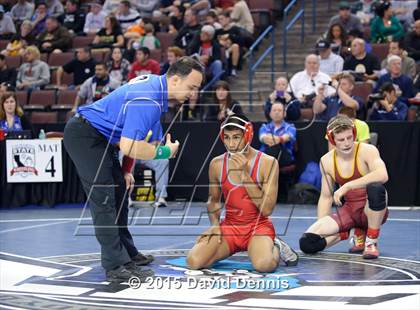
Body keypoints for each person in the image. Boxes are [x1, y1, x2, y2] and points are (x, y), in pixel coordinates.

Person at [63, 56, 204, 282]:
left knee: (118, 191)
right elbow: (130, 145)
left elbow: (135, 138)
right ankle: (115, 264)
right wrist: (166, 153)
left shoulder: (157, 92)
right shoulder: (149, 99)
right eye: (192, 87)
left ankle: (127, 254)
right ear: (176, 79)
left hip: (103, 138)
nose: (193, 94)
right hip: (84, 135)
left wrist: (127, 170)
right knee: (104, 196)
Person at [186, 114, 298, 272]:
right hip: (230, 227)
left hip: (258, 227)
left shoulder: (268, 163)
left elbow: (267, 209)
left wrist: (245, 175)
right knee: (194, 261)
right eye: (227, 138)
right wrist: (215, 226)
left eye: (236, 137)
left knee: (264, 265)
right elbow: (214, 200)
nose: (231, 144)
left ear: (248, 136)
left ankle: (276, 246)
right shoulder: (217, 164)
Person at [299, 115, 389, 259]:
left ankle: (371, 241)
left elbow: (383, 174)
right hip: (350, 212)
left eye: (349, 137)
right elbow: (326, 197)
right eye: (341, 140)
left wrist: (347, 186)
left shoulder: (367, 150)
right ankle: (349, 231)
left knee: (376, 188)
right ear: (332, 140)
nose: (347, 143)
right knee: (307, 243)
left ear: (354, 134)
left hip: (370, 210)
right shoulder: (326, 161)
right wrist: (322, 225)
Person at [259, 103, 296, 167]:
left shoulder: (291, 127)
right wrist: (272, 139)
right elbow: (262, 138)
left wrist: (278, 139)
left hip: (284, 157)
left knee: (275, 148)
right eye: (274, 110)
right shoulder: (264, 127)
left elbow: (287, 137)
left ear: (284, 114)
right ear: (270, 114)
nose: (276, 112)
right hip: (266, 157)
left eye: (279, 110)